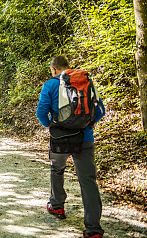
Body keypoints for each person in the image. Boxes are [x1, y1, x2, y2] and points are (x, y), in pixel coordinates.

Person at [36, 56, 105, 238]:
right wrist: (87, 125)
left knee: (57, 169)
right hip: (85, 137)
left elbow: (41, 112)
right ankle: (93, 229)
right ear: (68, 67)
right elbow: (100, 111)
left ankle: (57, 206)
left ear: (53, 69)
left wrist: (50, 125)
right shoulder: (85, 81)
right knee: (88, 180)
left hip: (60, 138)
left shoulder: (50, 85)